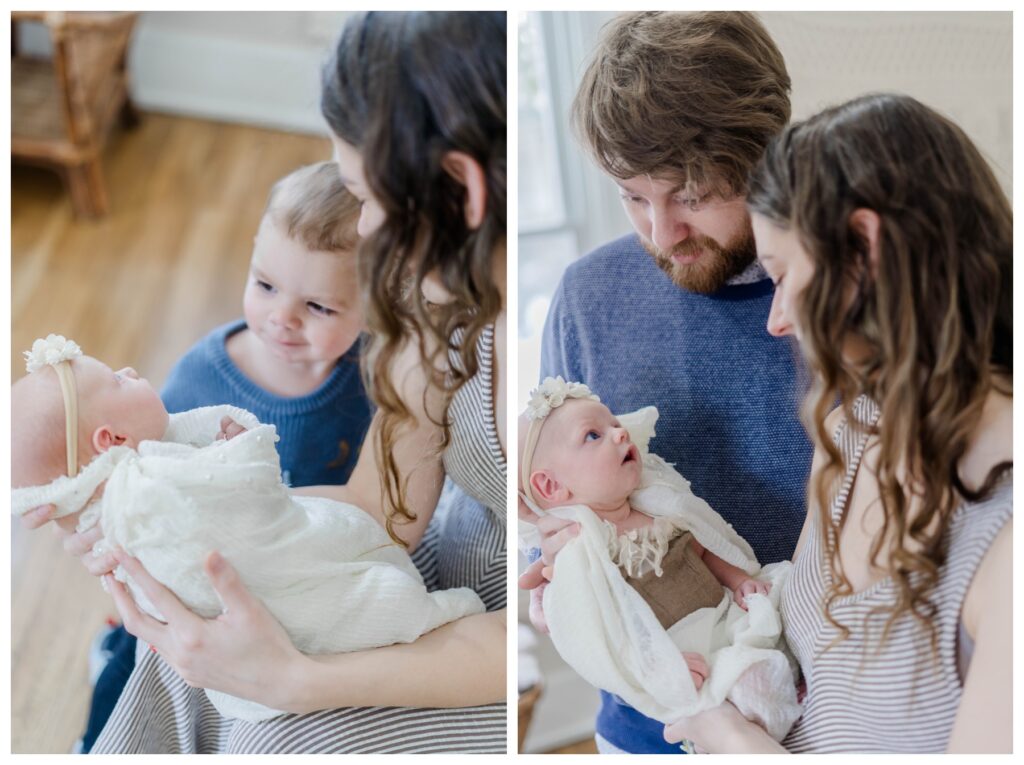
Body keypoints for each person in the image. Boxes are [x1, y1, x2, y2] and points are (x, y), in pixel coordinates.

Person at [25, 10, 507, 754]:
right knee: (182, 656)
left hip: (507, 640)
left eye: (365, 194)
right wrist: (194, 522)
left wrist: (296, 680)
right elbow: (380, 508)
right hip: (433, 566)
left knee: (267, 731)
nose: (365, 231)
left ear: (461, 188)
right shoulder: (431, 300)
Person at [663, 93, 1012, 754]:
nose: (776, 320)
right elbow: (792, 650)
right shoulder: (856, 426)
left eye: (783, 275)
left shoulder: (1003, 534)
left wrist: (730, 739)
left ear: (863, 245)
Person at [524, 11, 812, 754]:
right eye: (631, 195)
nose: (660, 232)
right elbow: (550, 506)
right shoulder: (588, 295)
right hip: (642, 729)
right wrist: (549, 584)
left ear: (767, 155)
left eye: (689, 193)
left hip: (816, 726)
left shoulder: (843, 299)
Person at [11, 339, 483, 723]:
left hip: (272, 636)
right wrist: (238, 451)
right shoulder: (144, 496)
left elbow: (245, 514)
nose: (132, 370)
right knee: (145, 669)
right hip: (266, 609)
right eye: (117, 380)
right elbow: (240, 498)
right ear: (111, 441)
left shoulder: (151, 477)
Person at [68, 160, 374, 752]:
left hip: (290, 571)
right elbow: (142, 471)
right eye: (265, 285)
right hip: (196, 574)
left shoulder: (372, 385)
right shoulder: (201, 379)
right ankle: (93, 735)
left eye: (319, 307)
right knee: (143, 662)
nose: (281, 317)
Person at [517, 379, 801, 744]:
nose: (620, 434)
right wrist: (658, 667)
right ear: (552, 488)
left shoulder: (659, 507)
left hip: (723, 623)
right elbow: (606, 633)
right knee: (746, 688)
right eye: (593, 435)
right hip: (679, 654)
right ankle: (727, 733)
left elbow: (703, 547)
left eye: (615, 425)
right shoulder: (582, 553)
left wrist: (738, 579)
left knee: (767, 660)